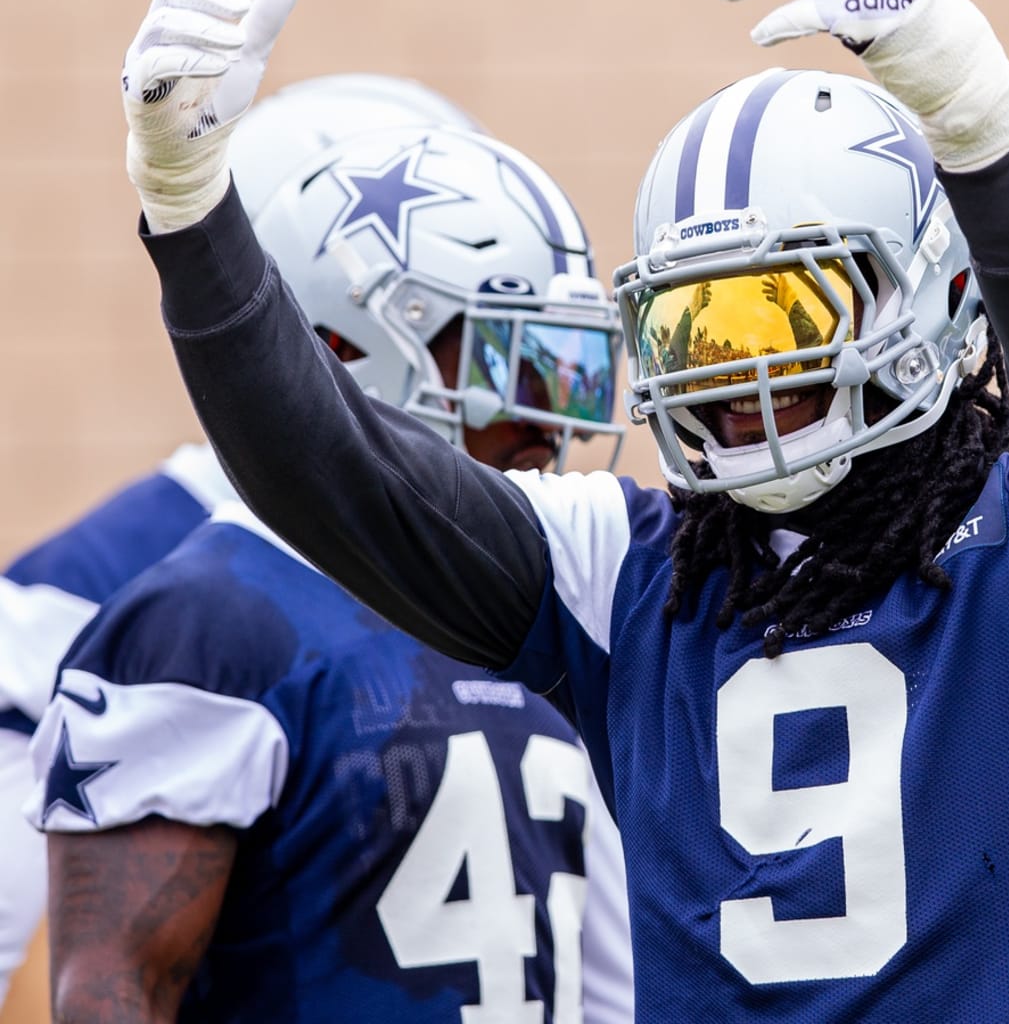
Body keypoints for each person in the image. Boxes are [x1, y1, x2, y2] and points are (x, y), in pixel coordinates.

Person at [118, 0, 1009, 1022]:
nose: (730, 369)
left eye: (777, 312)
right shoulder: (632, 574)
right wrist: (189, 210)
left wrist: (981, 117)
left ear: (927, 302)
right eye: (690, 324)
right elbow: (336, 476)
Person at [21, 82, 633, 1021]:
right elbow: (111, 992)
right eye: (515, 362)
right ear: (339, 349)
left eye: (572, 367)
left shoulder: (563, 607)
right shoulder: (209, 624)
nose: (549, 416)